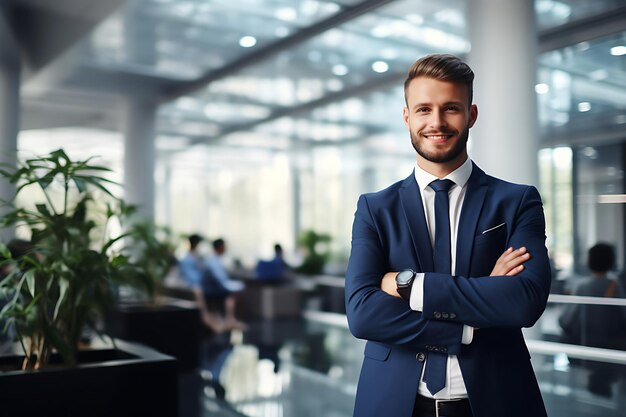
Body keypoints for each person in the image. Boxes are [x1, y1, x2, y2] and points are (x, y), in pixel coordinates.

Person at [345, 54, 551, 417]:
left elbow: (524, 300)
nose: (436, 122)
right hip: (392, 402)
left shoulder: (517, 201)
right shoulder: (375, 209)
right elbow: (362, 314)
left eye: (450, 108)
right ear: (407, 117)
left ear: (471, 114)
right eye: (424, 109)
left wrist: (412, 286)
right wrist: (472, 315)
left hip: (497, 398)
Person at [558, 242, 626, 397]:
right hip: (611, 351)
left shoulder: (582, 286)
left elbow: (566, 321)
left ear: (590, 261)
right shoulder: (615, 285)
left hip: (586, 348)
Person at [179, 234, 245, 333]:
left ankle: (226, 320)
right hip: (198, 286)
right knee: (200, 291)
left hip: (206, 285)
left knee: (228, 294)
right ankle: (209, 320)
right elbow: (192, 277)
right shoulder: (188, 260)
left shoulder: (200, 259)